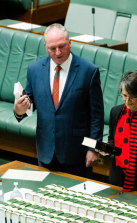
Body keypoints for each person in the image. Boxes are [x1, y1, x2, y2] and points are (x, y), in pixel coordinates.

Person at [13, 23, 104, 177]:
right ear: (45, 46)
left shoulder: (89, 71)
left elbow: (96, 116)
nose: (58, 52)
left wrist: (93, 149)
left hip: (76, 154)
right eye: (52, 48)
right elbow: (29, 104)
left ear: (70, 43)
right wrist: (18, 110)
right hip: (46, 151)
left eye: (62, 46)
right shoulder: (34, 70)